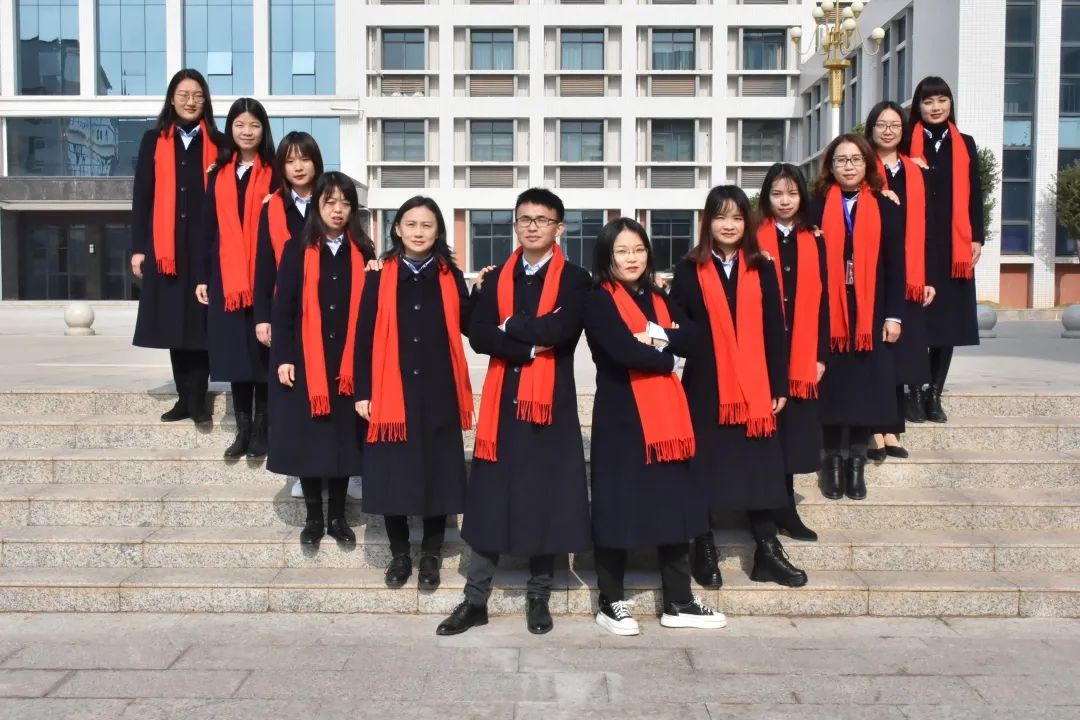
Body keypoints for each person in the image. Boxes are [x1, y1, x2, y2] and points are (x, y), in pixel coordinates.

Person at [436, 188, 591, 636]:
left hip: (550, 405)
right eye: (525, 219)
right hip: (503, 402)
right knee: (490, 496)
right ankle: (475, 599)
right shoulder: (498, 276)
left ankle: (538, 595)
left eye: (543, 219)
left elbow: (562, 330)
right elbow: (479, 334)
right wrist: (527, 346)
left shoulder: (575, 279)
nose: (533, 226)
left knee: (546, 495)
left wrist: (511, 326)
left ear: (559, 228)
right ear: (516, 224)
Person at [584, 217, 726, 635]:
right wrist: (668, 351)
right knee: (616, 504)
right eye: (622, 251)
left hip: (667, 418)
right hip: (622, 416)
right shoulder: (598, 299)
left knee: (673, 502)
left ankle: (678, 601)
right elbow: (622, 350)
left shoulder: (658, 296)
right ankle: (610, 600)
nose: (632, 258)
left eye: (639, 249)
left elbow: (697, 338)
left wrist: (653, 333)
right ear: (607, 256)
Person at [670, 185, 808, 590]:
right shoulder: (688, 269)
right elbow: (680, 328)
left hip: (755, 387)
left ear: (747, 222)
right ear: (707, 222)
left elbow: (774, 330)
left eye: (736, 217)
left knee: (760, 466)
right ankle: (704, 547)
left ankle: (767, 550)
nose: (728, 225)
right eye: (720, 217)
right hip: (706, 385)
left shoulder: (761, 266)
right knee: (705, 467)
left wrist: (779, 383)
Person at [354, 196, 473, 592]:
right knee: (393, 474)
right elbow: (363, 336)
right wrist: (363, 391)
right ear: (397, 229)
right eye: (411, 224)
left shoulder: (450, 277)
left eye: (427, 225)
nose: (418, 232)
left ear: (438, 231)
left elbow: (469, 323)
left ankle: (431, 555)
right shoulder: (378, 275)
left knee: (437, 474)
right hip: (392, 390)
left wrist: (484, 289)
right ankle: (401, 554)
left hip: (438, 390)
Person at [267, 172, 376, 545]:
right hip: (306, 360)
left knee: (344, 440)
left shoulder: (364, 252)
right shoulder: (297, 249)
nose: (338, 210)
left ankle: (338, 518)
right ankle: (314, 519)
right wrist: (283, 357)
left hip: (347, 362)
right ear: (318, 206)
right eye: (330, 202)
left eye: (345, 203)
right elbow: (283, 309)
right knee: (309, 439)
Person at [809, 134, 905, 501]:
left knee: (866, 388)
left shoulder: (885, 206)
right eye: (841, 160)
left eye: (855, 159)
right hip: (829, 312)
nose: (848, 166)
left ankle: (856, 462)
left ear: (867, 163)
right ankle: (832, 462)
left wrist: (894, 316)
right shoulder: (815, 207)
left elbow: (896, 265)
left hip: (871, 312)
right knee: (833, 389)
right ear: (830, 166)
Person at [131, 69, 220, 425]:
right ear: (172, 99)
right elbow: (142, 196)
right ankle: (185, 397)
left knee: (201, 321)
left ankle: (197, 397)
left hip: (205, 245)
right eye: (183, 94)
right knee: (173, 321)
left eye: (197, 95)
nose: (190, 101)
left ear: (205, 100)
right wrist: (139, 248)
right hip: (165, 246)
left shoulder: (218, 142)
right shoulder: (153, 140)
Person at [196, 98, 276, 461]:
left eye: (254, 125)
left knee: (263, 354)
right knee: (235, 355)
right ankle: (243, 430)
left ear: (263, 130)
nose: (247, 131)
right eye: (240, 124)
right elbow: (207, 228)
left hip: (265, 275)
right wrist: (202, 276)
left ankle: (262, 429)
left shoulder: (275, 172)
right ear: (230, 129)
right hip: (227, 278)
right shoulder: (218, 172)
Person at [906, 76, 984, 424]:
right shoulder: (906, 143)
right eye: (928, 101)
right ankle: (913, 389)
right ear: (918, 106)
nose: (935, 107)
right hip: (915, 244)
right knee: (916, 320)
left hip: (954, 245)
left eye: (941, 100)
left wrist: (977, 237)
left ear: (950, 104)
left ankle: (933, 393)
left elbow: (974, 194)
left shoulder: (965, 143)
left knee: (947, 322)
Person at [756, 163, 828, 542]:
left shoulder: (815, 240)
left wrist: (820, 355)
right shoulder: (753, 240)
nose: (785, 201)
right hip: (762, 352)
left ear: (802, 196)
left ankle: (786, 508)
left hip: (800, 354)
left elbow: (824, 301)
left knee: (790, 435)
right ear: (767, 198)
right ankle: (761, 510)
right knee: (765, 435)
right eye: (777, 194)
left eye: (792, 193)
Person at [866, 101, 936, 459]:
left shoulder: (915, 171)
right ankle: (873, 429)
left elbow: (927, 227)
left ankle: (892, 428)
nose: (888, 130)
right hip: (873, 272)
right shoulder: (863, 169)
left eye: (895, 124)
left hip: (910, 272)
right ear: (871, 129)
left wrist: (927, 277)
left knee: (901, 354)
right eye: (882, 124)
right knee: (876, 354)